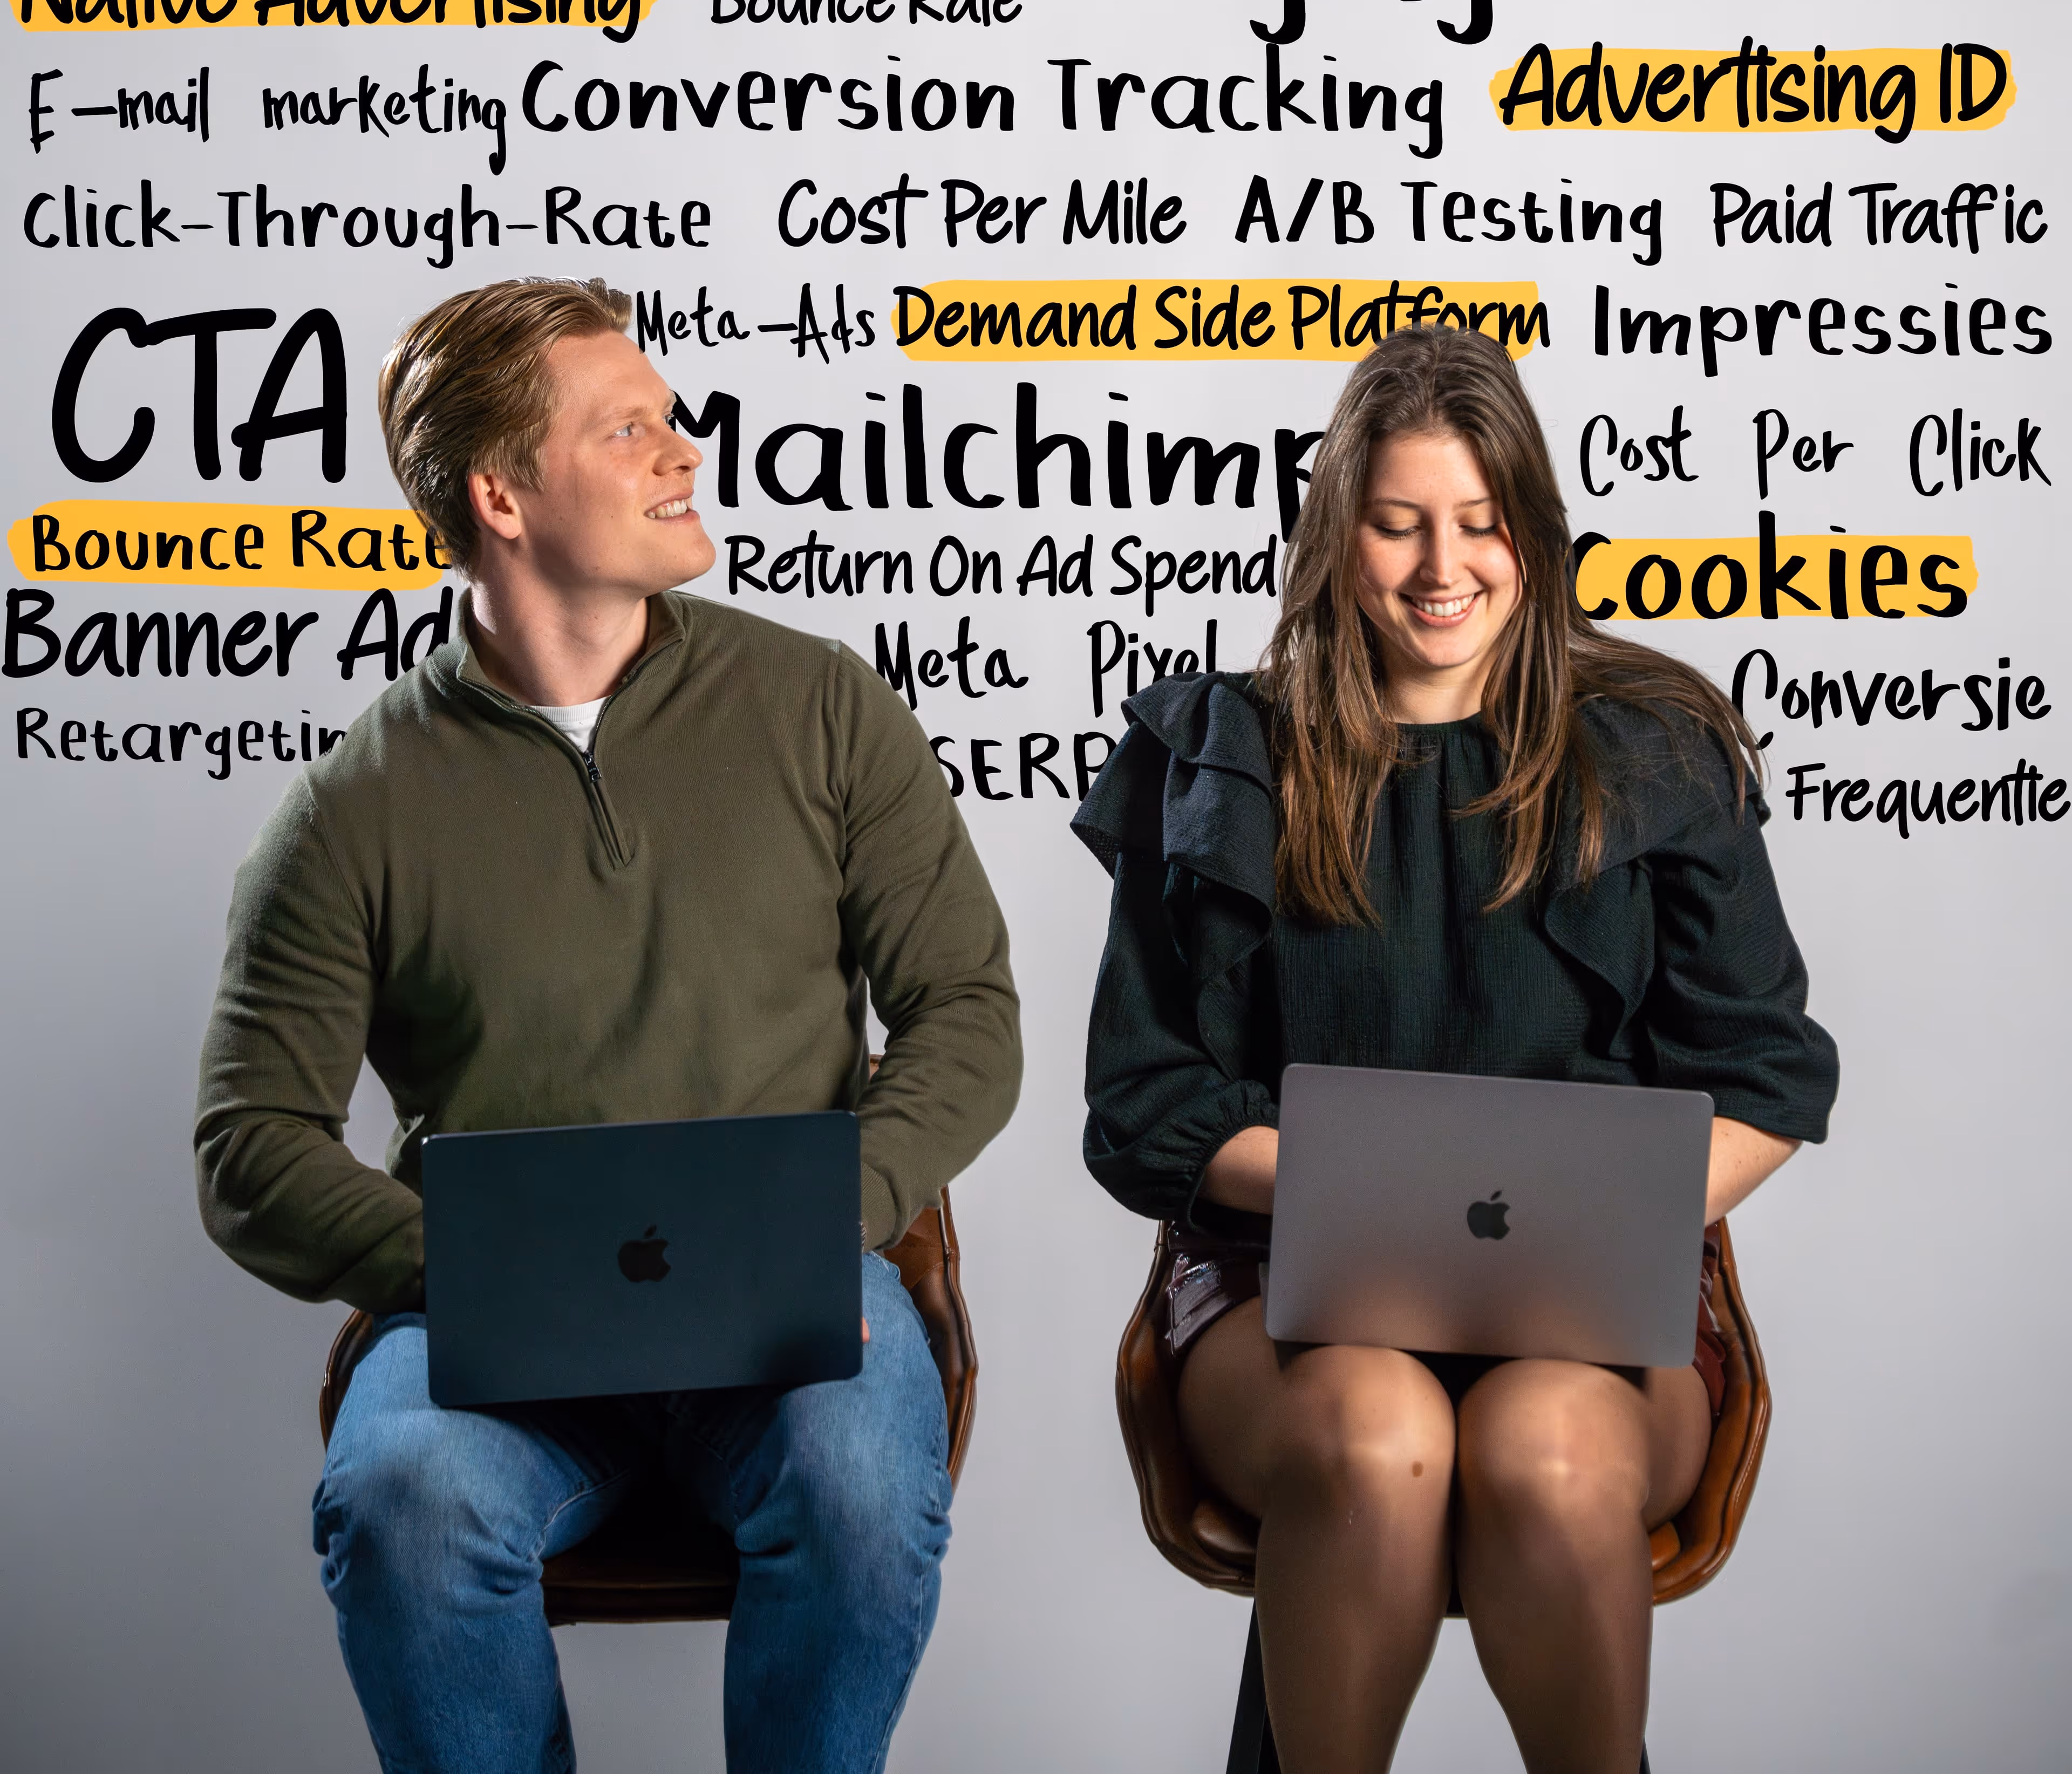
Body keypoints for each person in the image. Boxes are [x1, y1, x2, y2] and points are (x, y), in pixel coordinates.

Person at [193, 277, 1021, 1774]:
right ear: (503, 495)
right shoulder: (350, 810)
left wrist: (837, 1208)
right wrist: (467, 1269)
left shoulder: (822, 709)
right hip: (493, 1334)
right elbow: (250, 1146)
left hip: (790, 1319)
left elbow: (965, 1009)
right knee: (403, 1504)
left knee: (853, 1486)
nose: (683, 448)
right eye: (627, 426)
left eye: (669, 415)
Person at [1073, 325, 1836, 1774]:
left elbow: (1771, 1077)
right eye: (1399, 523)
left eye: (1482, 525)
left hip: (1596, 1316)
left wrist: (1604, 1227)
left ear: (1536, 538)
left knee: (1545, 1453)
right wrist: (1370, 1209)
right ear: (1334, 535)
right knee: (1378, 1427)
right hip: (1282, 1305)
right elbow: (1144, 1106)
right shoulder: (1220, 753)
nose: (1443, 567)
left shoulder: (1657, 748)